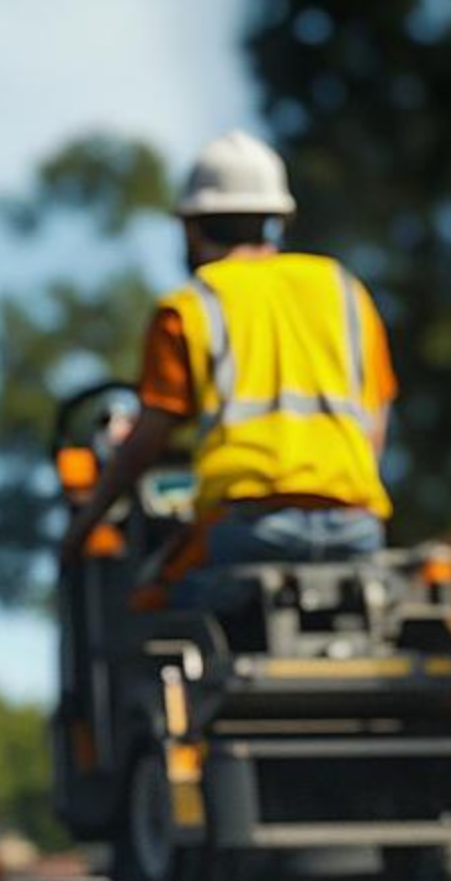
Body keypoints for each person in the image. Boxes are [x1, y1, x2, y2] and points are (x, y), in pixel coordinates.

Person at [57, 130, 397, 609]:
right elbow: (374, 424)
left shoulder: (189, 307)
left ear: (193, 228)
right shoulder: (344, 291)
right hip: (356, 529)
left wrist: (81, 529)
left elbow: (145, 443)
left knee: (146, 602)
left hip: (249, 530)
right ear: (276, 220)